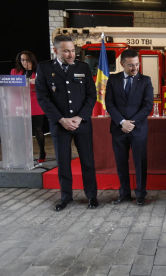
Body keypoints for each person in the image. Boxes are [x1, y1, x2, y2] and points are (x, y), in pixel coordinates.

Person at [35, 35, 99, 211]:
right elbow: (43, 98)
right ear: (55, 50)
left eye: (72, 50)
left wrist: (79, 117)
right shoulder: (45, 68)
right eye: (66, 51)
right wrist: (61, 119)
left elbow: (91, 96)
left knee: (87, 161)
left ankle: (92, 196)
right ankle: (65, 197)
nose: (71, 54)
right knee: (63, 162)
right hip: (59, 124)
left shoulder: (83, 67)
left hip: (82, 123)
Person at [105, 49, 154, 206]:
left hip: (138, 129)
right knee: (121, 163)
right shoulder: (113, 79)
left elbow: (147, 106)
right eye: (131, 65)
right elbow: (110, 104)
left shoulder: (146, 80)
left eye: (137, 64)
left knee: (140, 162)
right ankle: (124, 194)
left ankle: (140, 194)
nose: (135, 68)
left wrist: (131, 123)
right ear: (122, 64)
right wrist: (122, 122)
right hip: (118, 129)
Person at [11, 50, 46, 162]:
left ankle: (42, 152)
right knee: (23, 131)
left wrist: (36, 83)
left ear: (32, 60)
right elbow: (12, 86)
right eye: (22, 60)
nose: (24, 62)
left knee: (37, 129)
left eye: (26, 59)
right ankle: (26, 154)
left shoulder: (39, 71)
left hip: (36, 104)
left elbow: (46, 87)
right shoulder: (15, 71)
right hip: (21, 104)